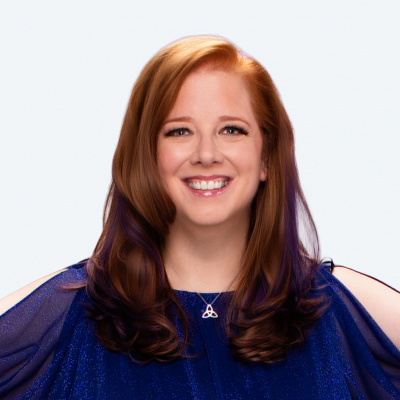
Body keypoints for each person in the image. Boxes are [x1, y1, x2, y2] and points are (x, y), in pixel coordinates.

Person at [1, 35, 400, 399]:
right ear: (147, 155)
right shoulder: (72, 311)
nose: (206, 154)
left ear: (266, 156)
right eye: (179, 132)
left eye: (232, 130)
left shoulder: (338, 308)